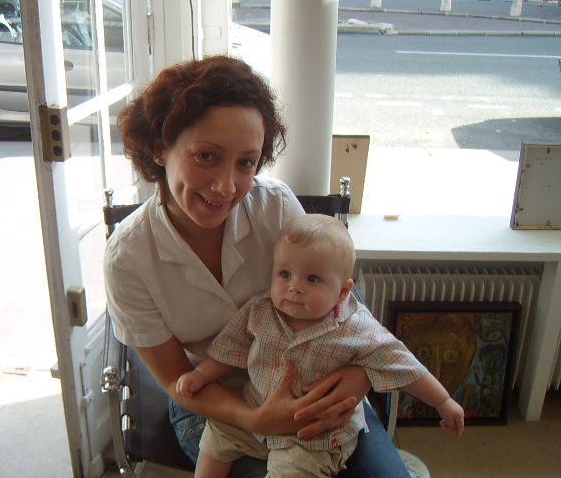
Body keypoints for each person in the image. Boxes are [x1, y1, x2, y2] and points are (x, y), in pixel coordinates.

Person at [105, 54, 415, 477]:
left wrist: (359, 374)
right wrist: (257, 419)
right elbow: (176, 378)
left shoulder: (276, 208)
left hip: (315, 380)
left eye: (246, 162)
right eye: (206, 156)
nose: (226, 186)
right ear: (160, 147)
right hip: (214, 403)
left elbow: (340, 304)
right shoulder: (128, 259)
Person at [176, 214, 465, 477]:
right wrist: (201, 374)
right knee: (215, 437)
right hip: (255, 406)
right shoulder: (260, 310)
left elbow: (403, 364)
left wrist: (443, 402)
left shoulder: (357, 328)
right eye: (285, 274)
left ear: (343, 291)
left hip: (312, 435)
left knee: (293, 472)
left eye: (312, 279)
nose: (294, 287)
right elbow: (231, 350)